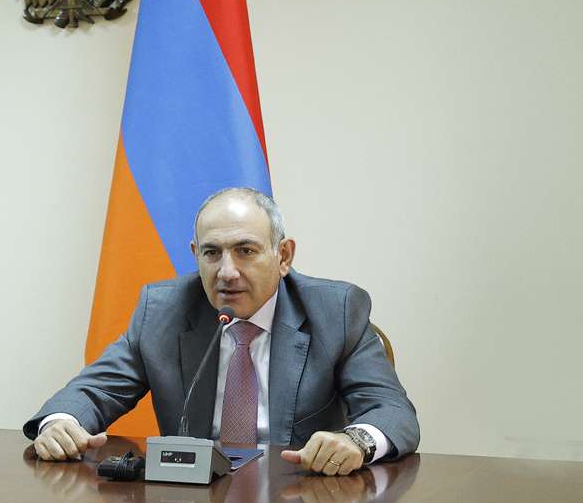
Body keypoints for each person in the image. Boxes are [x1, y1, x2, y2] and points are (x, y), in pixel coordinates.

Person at [25, 187, 419, 476]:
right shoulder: (163, 311)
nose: (227, 272)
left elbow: (393, 411)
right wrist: (61, 423)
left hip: (302, 500)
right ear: (195, 255)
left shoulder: (336, 311)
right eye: (212, 253)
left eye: (245, 251)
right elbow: (94, 391)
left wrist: (356, 441)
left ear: (283, 256)